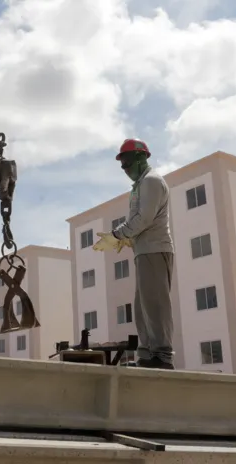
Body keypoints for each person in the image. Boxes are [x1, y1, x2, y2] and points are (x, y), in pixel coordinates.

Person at [92, 138, 175, 370]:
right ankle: (148, 354)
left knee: (156, 305)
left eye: (126, 161)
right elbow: (140, 221)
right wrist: (128, 238)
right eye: (122, 164)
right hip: (144, 251)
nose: (124, 168)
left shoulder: (151, 181)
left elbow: (144, 219)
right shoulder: (141, 185)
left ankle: (162, 356)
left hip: (155, 250)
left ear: (140, 157)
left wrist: (118, 235)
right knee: (143, 307)